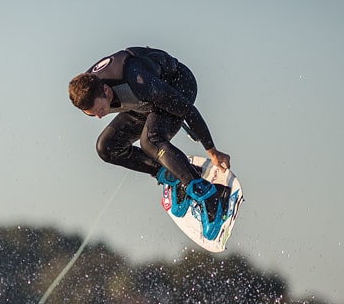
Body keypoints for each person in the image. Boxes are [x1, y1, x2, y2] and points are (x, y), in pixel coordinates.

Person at [68, 46, 232, 224]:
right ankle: (174, 176)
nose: (99, 116)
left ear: (106, 91)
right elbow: (100, 106)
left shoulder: (138, 82)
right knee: (106, 147)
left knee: (150, 142)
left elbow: (188, 111)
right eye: (92, 113)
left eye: (100, 110)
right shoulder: (86, 92)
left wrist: (211, 150)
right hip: (143, 103)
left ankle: (210, 196)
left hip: (176, 84)